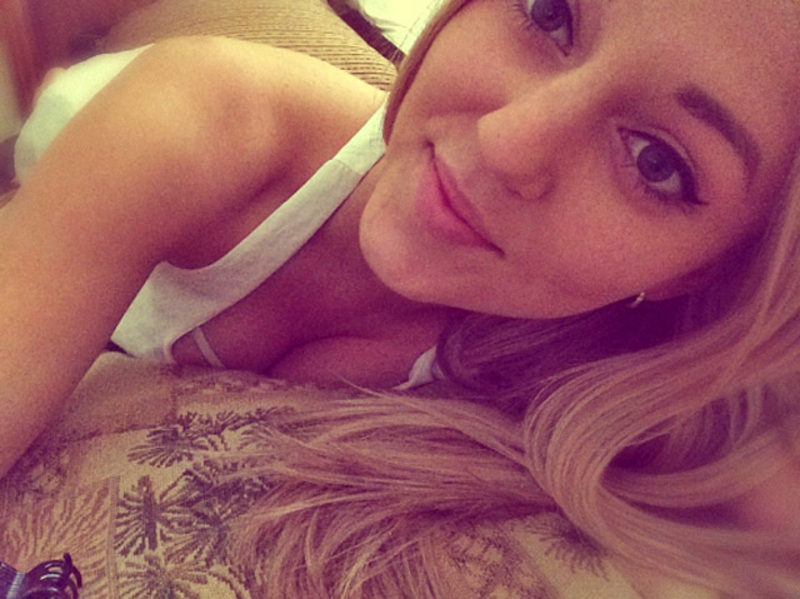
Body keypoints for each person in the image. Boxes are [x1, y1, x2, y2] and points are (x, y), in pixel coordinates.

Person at [1, 0, 799, 596]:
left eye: (657, 162)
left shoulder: (616, 378)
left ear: (698, 271)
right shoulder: (203, 117)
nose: (508, 140)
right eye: (547, 12)